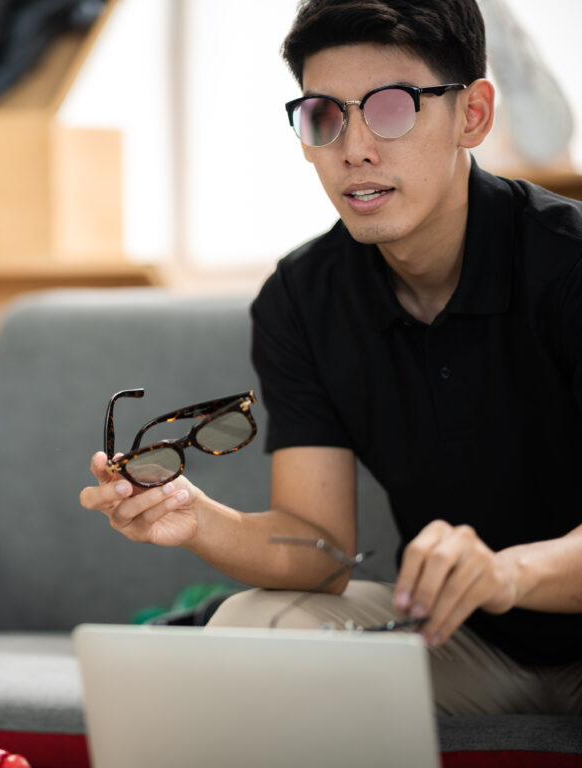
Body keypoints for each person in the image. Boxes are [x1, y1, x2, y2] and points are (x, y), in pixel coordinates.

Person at [79, 0, 582, 716]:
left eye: (392, 109)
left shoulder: (567, 266)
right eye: (325, 116)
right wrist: (195, 518)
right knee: (250, 626)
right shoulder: (300, 300)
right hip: (463, 640)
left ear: (472, 114)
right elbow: (318, 548)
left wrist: (506, 574)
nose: (355, 149)